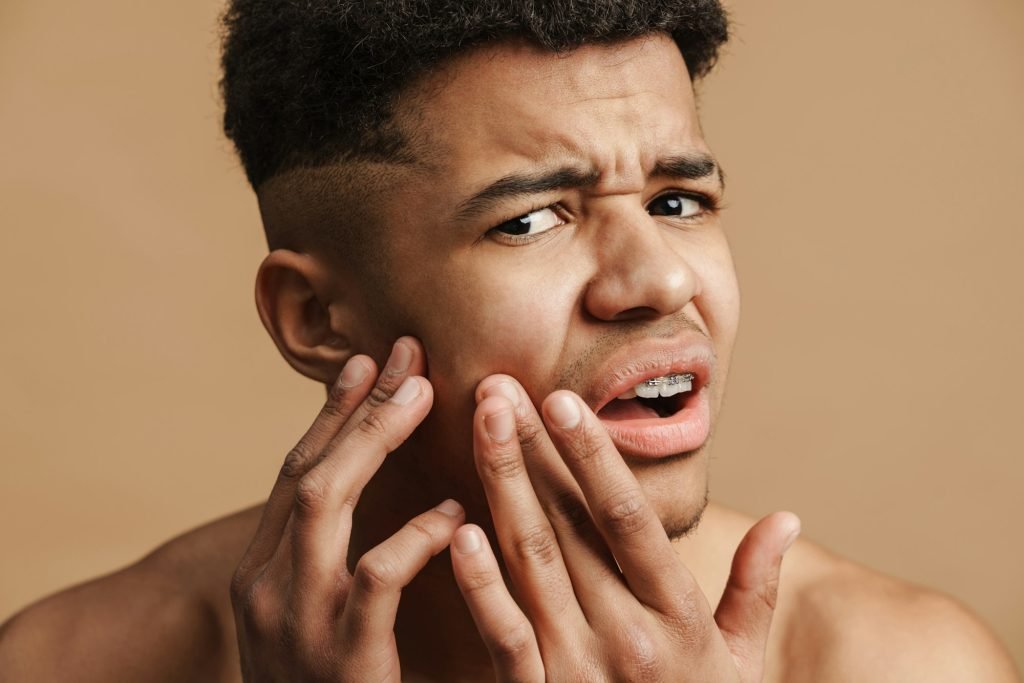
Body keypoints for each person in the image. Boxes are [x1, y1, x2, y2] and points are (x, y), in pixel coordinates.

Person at [0, 1, 1018, 680]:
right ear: (317, 318)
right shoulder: (75, 659)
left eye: (677, 198)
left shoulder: (899, 660)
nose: (660, 279)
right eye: (529, 220)